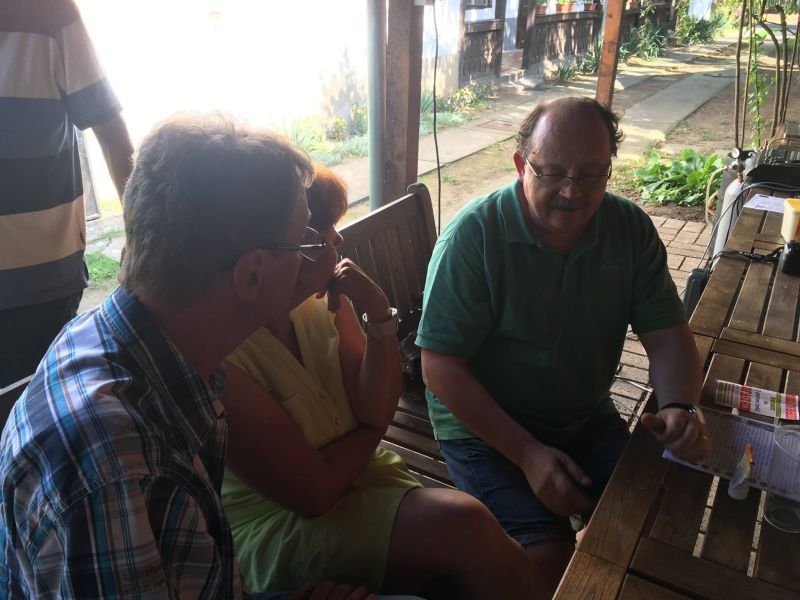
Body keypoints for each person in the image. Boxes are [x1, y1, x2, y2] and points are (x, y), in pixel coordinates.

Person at [0, 112, 367, 599]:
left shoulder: (123, 342)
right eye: (304, 242)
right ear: (252, 275)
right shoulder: (116, 467)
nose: (314, 255)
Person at [416, 96, 710, 593]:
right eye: (552, 172)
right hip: (482, 429)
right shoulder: (473, 237)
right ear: (521, 165)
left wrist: (681, 405)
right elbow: (439, 366)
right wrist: (527, 453)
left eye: (592, 174)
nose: (573, 192)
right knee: (545, 558)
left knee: (656, 516)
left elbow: (667, 336)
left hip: (582, 415)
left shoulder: (628, 228)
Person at [221, 166, 546, 599]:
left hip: (362, 482)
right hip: (276, 527)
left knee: (470, 556)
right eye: (322, 234)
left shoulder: (319, 302)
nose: (338, 241)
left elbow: (374, 408)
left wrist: (377, 313)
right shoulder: (226, 355)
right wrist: (372, 431)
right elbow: (315, 490)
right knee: (466, 525)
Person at [0, 0, 134, 388]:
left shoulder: (47, 10)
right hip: (42, 279)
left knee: (43, 402)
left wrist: (142, 239)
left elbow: (112, 131)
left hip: (39, 287)